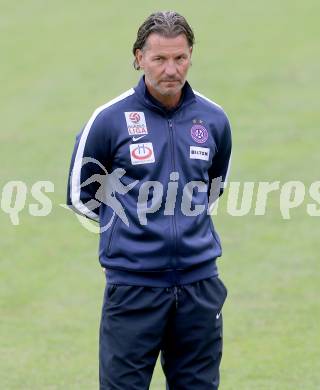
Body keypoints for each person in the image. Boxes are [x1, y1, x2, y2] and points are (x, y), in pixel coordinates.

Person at [67, 10, 232, 390]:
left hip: (199, 287)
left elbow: (212, 187)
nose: (171, 69)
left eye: (180, 57)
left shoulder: (213, 119)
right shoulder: (109, 120)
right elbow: (81, 194)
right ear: (139, 57)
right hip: (133, 289)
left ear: (191, 54)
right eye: (159, 58)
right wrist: (133, 234)